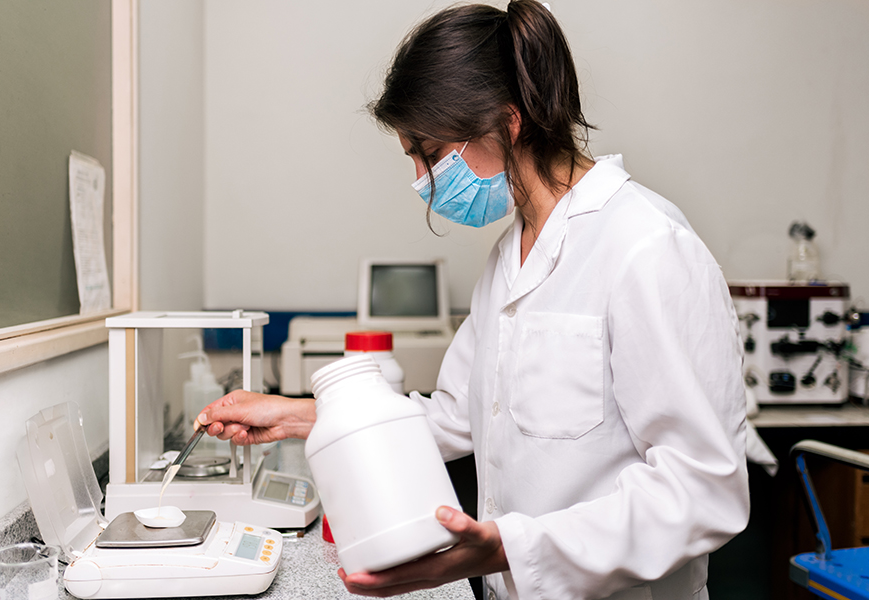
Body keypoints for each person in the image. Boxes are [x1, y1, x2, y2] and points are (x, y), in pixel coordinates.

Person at [196, 1, 750, 598]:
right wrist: (292, 414)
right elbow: (454, 418)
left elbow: (704, 490)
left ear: (508, 124)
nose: (420, 179)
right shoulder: (510, 256)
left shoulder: (647, 248)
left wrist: (513, 547)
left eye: (430, 153)